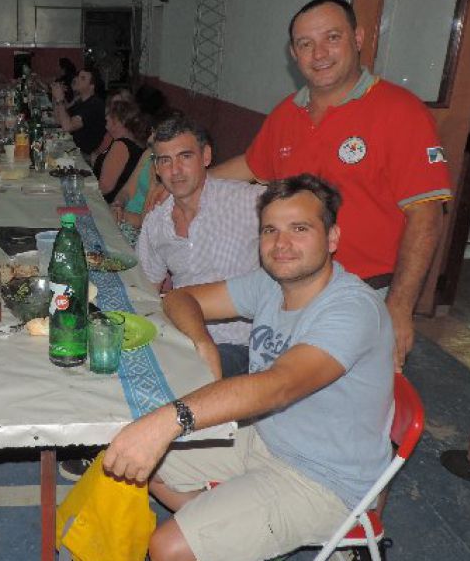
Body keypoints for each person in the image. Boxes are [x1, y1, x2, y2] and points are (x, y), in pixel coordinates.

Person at [148, 0, 452, 371]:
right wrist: (184, 181)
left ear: (357, 38)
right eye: (306, 44)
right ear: (293, 53)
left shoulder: (400, 112)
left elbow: (426, 216)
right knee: (284, 395)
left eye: (332, 38)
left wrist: (401, 308)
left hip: (366, 291)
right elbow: (251, 164)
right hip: (292, 285)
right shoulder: (287, 114)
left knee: (339, 406)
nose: (319, 53)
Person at [104, 173, 394, 561]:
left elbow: (278, 385)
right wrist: (204, 341)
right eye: (270, 230)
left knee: (166, 547)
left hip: (324, 478)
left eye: (300, 228)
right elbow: (179, 298)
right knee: (132, 460)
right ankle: (227, 533)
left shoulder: (351, 309)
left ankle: (219, 535)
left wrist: (168, 420)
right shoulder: (271, 284)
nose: (282, 244)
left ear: (333, 238)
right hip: (267, 436)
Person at [136, 116, 265, 379]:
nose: (176, 171)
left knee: (177, 381)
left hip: (239, 346)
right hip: (181, 338)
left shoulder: (247, 201)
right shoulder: (157, 221)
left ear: (206, 156)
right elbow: (146, 289)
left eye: (185, 156)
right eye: (165, 161)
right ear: (157, 169)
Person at [93, 98, 147, 204]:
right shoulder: (133, 142)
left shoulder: (121, 146)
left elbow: (105, 188)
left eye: (109, 114)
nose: (106, 117)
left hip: (107, 205)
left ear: (117, 121)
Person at [50, 66, 106, 156]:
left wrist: (60, 100)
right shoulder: (81, 101)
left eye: (82, 78)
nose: (77, 80)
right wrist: (56, 96)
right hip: (73, 149)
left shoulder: (94, 104)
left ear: (92, 86)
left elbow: (68, 127)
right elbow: (59, 120)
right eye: (78, 77)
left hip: (85, 156)